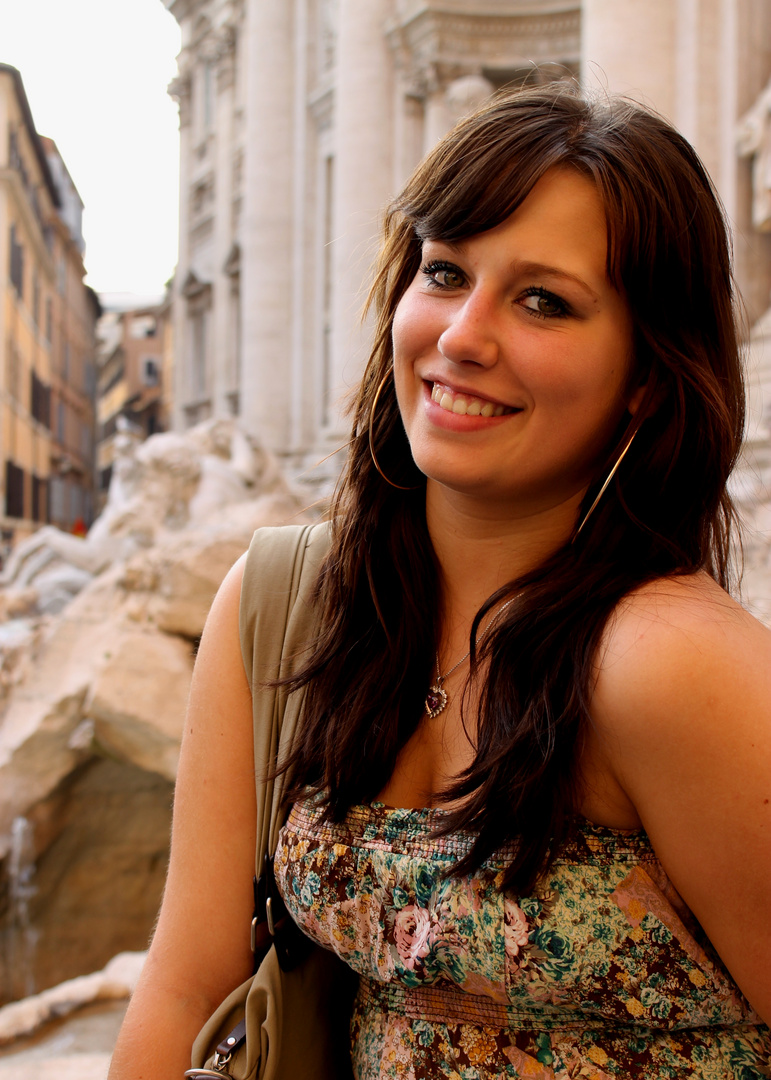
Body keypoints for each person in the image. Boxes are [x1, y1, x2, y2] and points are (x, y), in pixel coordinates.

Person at [108, 85, 771, 1079]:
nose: (463, 335)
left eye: (544, 300)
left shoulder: (669, 661)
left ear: (647, 373)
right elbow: (185, 983)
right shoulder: (285, 603)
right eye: (446, 272)